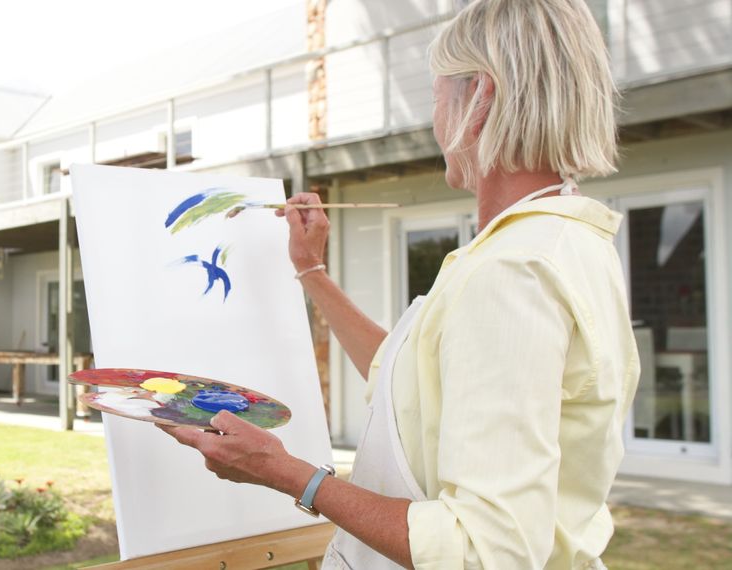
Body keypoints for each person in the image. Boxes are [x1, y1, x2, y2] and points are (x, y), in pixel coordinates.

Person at [158, 0, 640, 567]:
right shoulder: (560, 240)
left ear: (479, 98)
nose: (434, 123)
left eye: (436, 98)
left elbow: (483, 551)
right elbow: (408, 385)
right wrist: (311, 272)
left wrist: (287, 474)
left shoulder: (514, 271)